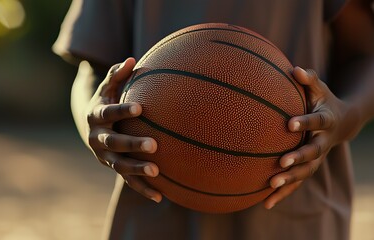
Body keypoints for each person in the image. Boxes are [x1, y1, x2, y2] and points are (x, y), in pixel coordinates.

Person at [53, 0, 374, 239]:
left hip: (294, 220)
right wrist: (93, 121)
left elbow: (366, 55)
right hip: (155, 217)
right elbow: (94, 73)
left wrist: (343, 116)